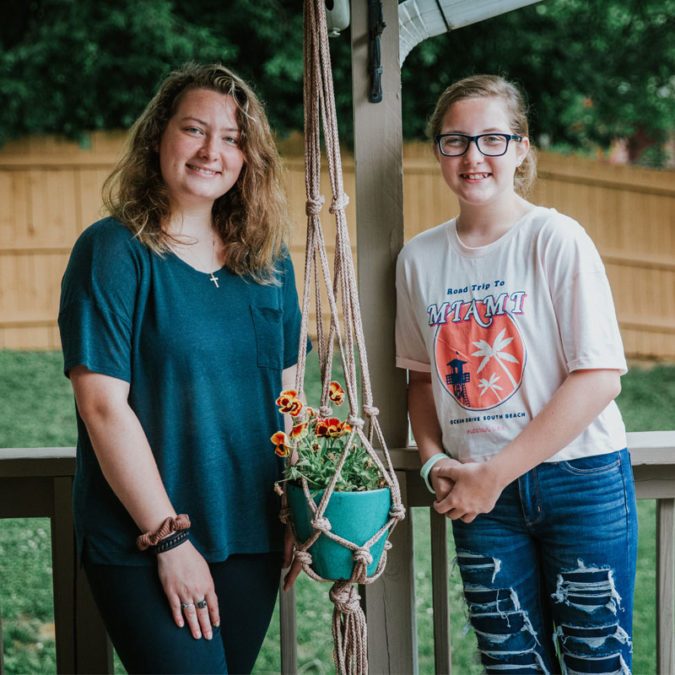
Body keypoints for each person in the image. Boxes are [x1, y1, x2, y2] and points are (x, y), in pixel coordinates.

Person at [58, 62, 305, 674]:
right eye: (194, 129)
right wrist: (169, 540)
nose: (211, 150)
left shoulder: (269, 261)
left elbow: (288, 393)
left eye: (232, 138)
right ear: (158, 137)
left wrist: (299, 509)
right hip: (144, 538)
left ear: (249, 157)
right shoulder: (113, 251)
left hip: (250, 532)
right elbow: (101, 405)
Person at [395, 74, 637, 674]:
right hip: (479, 498)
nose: (474, 157)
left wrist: (494, 474)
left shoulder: (555, 238)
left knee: (595, 661)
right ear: (439, 153)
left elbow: (599, 376)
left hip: (578, 481)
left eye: (493, 140)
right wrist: (432, 462)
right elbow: (422, 380)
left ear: (522, 148)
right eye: (456, 141)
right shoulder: (419, 259)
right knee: (510, 664)